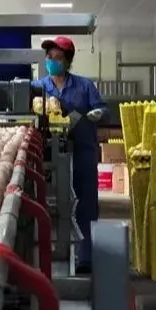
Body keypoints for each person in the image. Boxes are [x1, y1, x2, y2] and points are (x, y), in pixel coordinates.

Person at [34, 36, 107, 274]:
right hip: (50, 154)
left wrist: (98, 113)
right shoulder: (39, 87)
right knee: (51, 204)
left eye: (58, 58)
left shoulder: (84, 86)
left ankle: (85, 257)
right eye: (50, 57)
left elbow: (102, 108)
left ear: (68, 61)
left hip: (83, 151)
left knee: (86, 204)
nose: (52, 61)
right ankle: (47, 255)